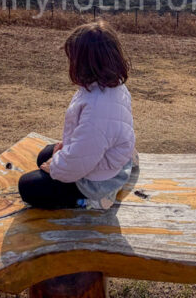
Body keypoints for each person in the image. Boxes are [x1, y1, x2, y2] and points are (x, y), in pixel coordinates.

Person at [18, 20, 137, 210]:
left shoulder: (98, 106)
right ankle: (119, 169)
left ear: (84, 63)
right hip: (106, 157)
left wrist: (55, 166)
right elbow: (88, 140)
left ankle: (94, 201)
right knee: (44, 155)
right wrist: (62, 151)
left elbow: (81, 157)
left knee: (27, 186)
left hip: (99, 180)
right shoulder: (110, 85)